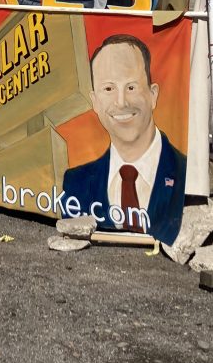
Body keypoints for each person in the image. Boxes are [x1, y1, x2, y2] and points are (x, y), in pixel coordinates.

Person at [61, 34, 185, 244]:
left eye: (131, 87)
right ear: (95, 102)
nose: (121, 102)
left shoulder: (187, 173)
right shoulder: (76, 183)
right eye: (109, 89)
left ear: (153, 94)